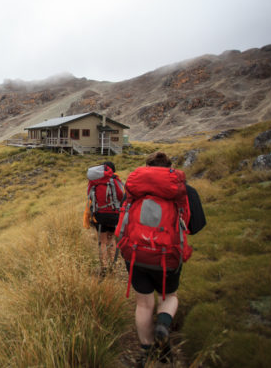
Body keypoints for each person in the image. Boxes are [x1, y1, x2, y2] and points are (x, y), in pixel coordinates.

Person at [122, 152, 206, 366]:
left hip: (136, 253)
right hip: (167, 256)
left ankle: (147, 350)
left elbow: (122, 219)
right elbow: (196, 226)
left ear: (147, 167)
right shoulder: (184, 191)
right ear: (170, 168)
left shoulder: (134, 188)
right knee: (169, 296)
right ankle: (163, 324)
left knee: (143, 303)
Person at [84, 161, 125, 275]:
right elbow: (122, 195)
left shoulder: (94, 181)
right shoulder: (115, 180)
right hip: (113, 214)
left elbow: (89, 195)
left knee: (102, 241)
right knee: (111, 239)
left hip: (100, 215)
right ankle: (114, 264)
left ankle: (104, 267)